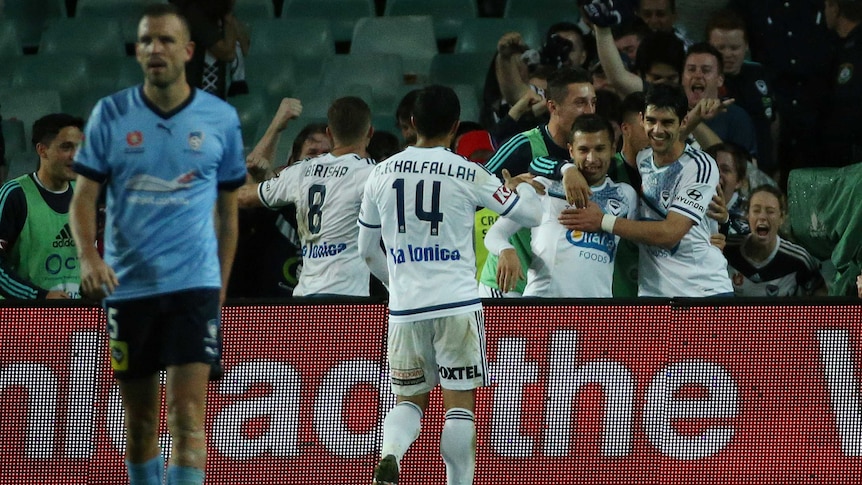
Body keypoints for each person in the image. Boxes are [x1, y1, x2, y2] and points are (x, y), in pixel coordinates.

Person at [68, 5, 246, 485]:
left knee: (188, 419)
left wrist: (219, 287)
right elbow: (82, 200)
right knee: (141, 423)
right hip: (130, 290)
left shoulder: (221, 118)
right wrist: (89, 257)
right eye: (146, 41)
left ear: (188, 51)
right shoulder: (111, 113)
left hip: (194, 287)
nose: (154, 49)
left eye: (166, 40)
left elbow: (228, 214)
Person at [357, 84, 542, 485]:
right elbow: (530, 215)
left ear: (411, 123)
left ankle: (391, 454)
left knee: (409, 402)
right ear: (456, 126)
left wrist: (398, 284)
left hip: (405, 308)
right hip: (457, 304)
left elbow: (367, 251)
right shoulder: (468, 170)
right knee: (459, 408)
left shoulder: (380, 173)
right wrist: (522, 186)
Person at [560, 83, 733, 297]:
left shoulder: (700, 166)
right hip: (652, 293)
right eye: (651, 121)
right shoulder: (643, 158)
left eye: (668, 122)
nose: (657, 130)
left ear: (683, 122)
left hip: (701, 291)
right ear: (642, 120)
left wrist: (602, 221)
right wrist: (567, 169)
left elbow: (671, 233)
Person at [237, 96, 377, 297]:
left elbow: (241, 197)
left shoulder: (299, 172)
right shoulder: (374, 175)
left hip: (305, 298)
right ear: (370, 132)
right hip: (348, 299)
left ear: (330, 133)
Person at [485, 114, 637, 297]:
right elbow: (495, 234)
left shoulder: (625, 195)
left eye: (599, 149)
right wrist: (505, 249)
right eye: (583, 150)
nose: (591, 158)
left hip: (595, 314)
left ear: (613, 149)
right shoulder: (542, 187)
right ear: (571, 151)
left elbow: (640, 240)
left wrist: (603, 221)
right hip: (543, 309)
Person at [479, 66, 596, 297]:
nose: (590, 111)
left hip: (554, 287)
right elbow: (474, 193)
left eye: (594, 102)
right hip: (508, 283)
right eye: (580, 103)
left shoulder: (592, 154)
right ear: (552, 107)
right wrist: (505, 190)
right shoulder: (523, 146)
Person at [0, 113, 84, 299]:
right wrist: (39, 296)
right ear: (42, 150)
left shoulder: (84, 195)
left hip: (76, 317)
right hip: (24, 319)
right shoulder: (15, 195)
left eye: (79, 147)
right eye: (66, 147)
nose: (75, 156)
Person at [706, 9, 779, 176]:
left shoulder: (758, 73)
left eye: (734, 47)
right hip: (726, 175)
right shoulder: (705, 83)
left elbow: (773, 120)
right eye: (721, 48)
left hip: (765, 170)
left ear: (746, 46)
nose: (728, 54)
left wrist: (774, 164)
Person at [724, 185, 826, 297]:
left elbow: (821, 297)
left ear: (781, 217)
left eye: (770, 211)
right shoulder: (727, 249)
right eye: (756, 210)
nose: (762, 216)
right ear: (748, 215)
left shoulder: (800, 259)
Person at [682, 42, 759, 159]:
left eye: (706, 70)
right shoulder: (670, 114)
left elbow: (748, 170)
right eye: (691, 70)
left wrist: (695, 120)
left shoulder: (736, 118)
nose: (697, 75)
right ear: (682, 78)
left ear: (720, 80)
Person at [169, 0, 248, 99]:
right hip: (194, 95)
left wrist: (229, 16)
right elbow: (228, 53)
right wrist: (228, 19)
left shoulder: (221, 14)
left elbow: (244, 47)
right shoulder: (194, 13)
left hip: (215, 94)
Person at [821, 0, 862, 168]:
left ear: (835, 8)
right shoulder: (839, 46)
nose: (824, 12)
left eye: (826, 6)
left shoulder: (856, 49)